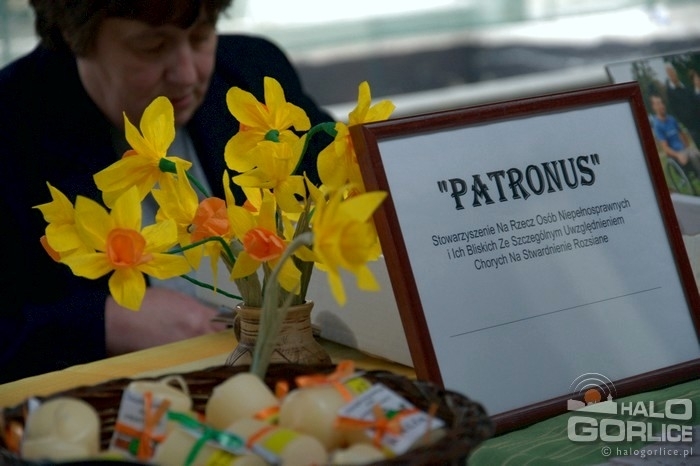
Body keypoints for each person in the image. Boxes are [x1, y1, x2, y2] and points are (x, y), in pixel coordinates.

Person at [0, 0, 334, 383]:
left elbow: (347, 191)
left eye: (201, 36)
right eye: (152, 47)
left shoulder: (251, 71)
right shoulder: (11, 124)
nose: (187, 74)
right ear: (76, 36)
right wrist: (103, 323)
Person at [649, 92, 700, 178]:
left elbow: (682, 135)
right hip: (676, 155)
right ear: (654, 107)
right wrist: (678, 155)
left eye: (662, 103)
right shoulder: (657, 126)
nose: (661, 106)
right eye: (658, 104)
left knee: (696, 153)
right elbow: (665, 148)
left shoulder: (671, 119)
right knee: (693, 156)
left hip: (684, 150)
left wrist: (688, 147)